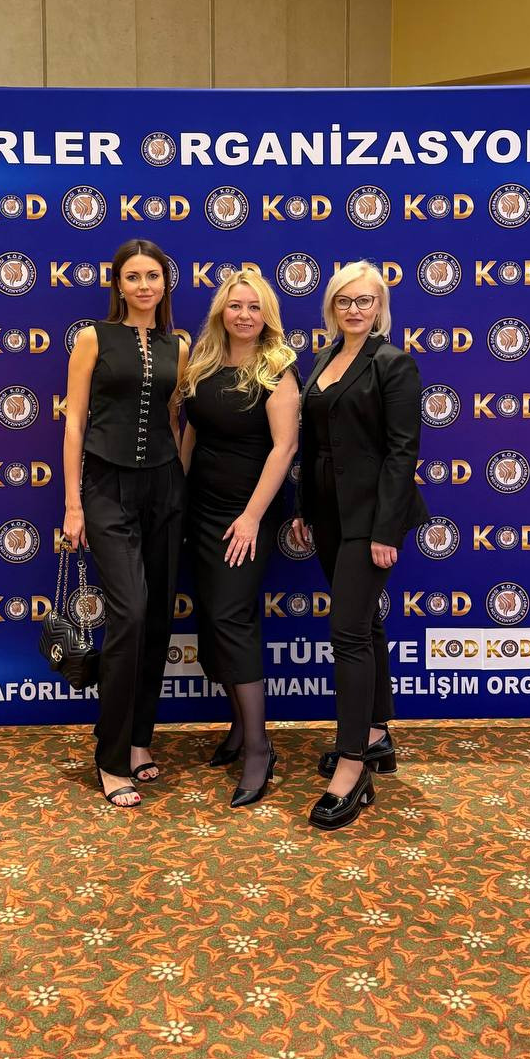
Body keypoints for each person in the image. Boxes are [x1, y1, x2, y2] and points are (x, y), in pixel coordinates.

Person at [292, 261, 428, 830]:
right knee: (366, 625)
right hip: (327, 512)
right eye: (344, 300)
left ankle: (353, 768)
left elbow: (402, 452)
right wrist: (303, 508)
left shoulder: (393, 363)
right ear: (331, 306)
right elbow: (314, 442)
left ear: (380, 307)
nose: (354, 309)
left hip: (370, 517)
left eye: (364, 300)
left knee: (347, 634)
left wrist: (384, 531)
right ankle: (374, 734)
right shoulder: (323, 358)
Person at [62, 239, 187, 808]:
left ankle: (139, 740)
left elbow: (173, 421)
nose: (143, 285)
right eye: (133, 276)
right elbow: (75, 421)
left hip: (164, 487)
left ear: (165, 284)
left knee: (157, 616)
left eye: (152, 276)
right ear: (118, 284)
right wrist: (73, 504)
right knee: (130, 614)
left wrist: (180, 483)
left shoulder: (178, 345)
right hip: (106, 487)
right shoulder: (93, 337)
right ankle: (111, 759)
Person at [181, 272, 299, 806]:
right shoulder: (203, 362)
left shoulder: (277, 368)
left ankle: (258, 748)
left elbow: (284, 448)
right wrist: (178, 495)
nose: (244, 315)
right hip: (201, 509)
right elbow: (192, 431)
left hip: (246, 513)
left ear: (266, 314)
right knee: (213, 617)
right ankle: (237, 727)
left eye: (254, 307)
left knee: (231, 618)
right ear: (221, 313)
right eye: (235, 306)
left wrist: (252, 517)